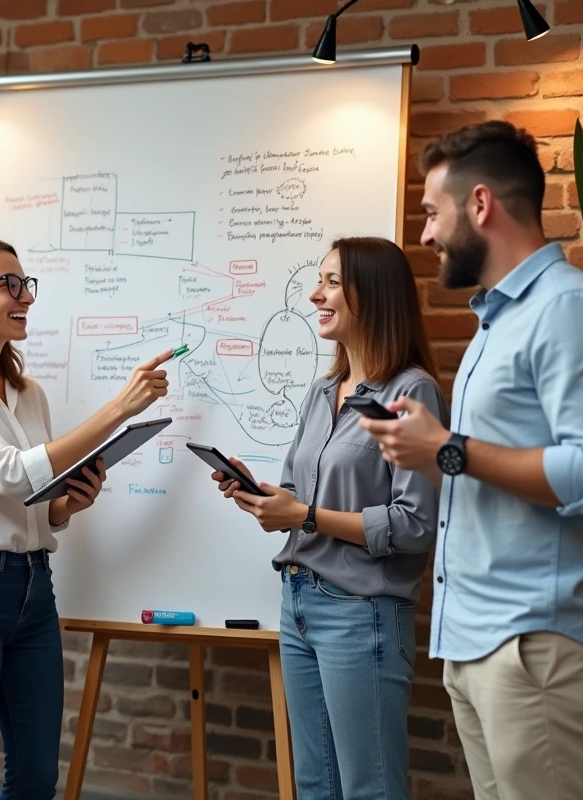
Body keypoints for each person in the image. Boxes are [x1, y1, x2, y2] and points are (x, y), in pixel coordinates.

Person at [359, 120, 583, 800]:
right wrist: (427, 452)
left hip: (534, 644)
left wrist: (449, 448)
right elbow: (489, 473)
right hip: (480, 643)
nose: (425, 235)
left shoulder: (568, 310)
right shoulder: (498, 320)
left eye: (432, 213)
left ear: (480, 204)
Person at [0, 238, 172, 800]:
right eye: (10, 285)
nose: (26, 297)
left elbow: (33, 500)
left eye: (27, 285)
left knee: (36, 777)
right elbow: (11, 475)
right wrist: (119, 409)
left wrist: (67, 504)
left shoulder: (29, 393)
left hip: (33, 591)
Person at [210, 236, 447, 800]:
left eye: (332, 282)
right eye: (319, 281)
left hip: (360, 613)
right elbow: (300, 495)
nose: (316, 295)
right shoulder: (322, 392)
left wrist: (306, 515)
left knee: (370, 789)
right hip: (298, 603)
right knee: (316, 786)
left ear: (375, 294)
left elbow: (414, 524)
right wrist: (266, 498)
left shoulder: (411, 390)